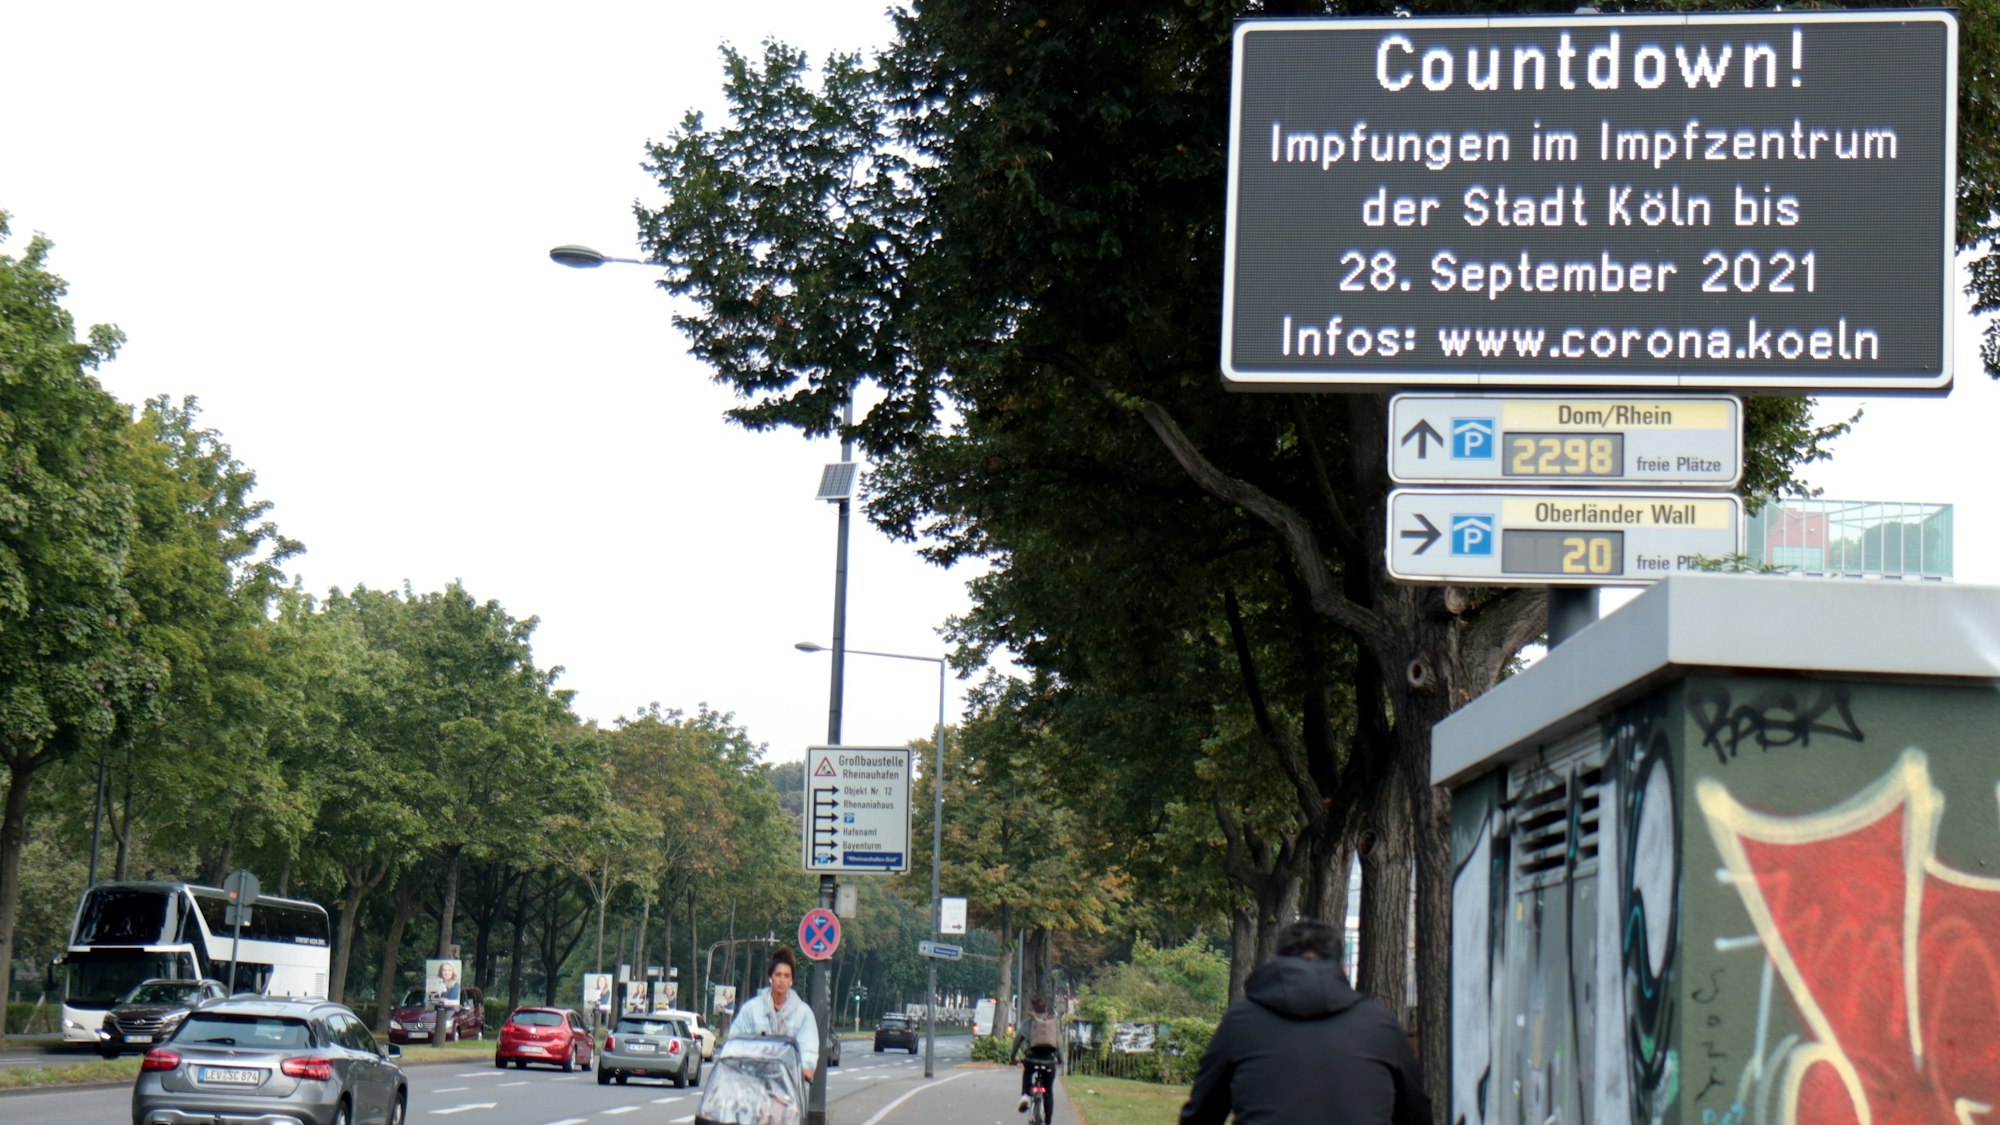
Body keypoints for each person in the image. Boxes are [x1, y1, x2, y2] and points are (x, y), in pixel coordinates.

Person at [1178, 921, 1433, 1125]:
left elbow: (1202, 1114)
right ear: (1341, 969)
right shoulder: (1380, 1025)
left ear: (1278, 961)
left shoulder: (1241, 1022)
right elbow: (1416, 1115)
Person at [728, 946, 822, 1084]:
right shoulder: (751, 1009)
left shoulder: (803, 1013)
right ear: (770, 978)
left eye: (786, 976)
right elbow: (735, 1040)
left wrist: (806, 1066)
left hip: (789, 1083)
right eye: (778, 975)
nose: (782, 980)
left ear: (791, 980)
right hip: (754, 1081)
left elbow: (808, 1045)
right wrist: (732, 1061)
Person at [1008, 995, 1063, 1119]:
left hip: (1031, 1059)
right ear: (1046, 1011)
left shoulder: (1028, 1022)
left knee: (1027, 1073)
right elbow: (1059, 1043)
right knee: (1048, 1091)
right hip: (1049, 1061)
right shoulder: (1052, 1024)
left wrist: (1012, 1057)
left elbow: (1017, 1041)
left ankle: (1025, 1095)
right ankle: (1047, 1121)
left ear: (1033, 1010)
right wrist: (1060, 1059)